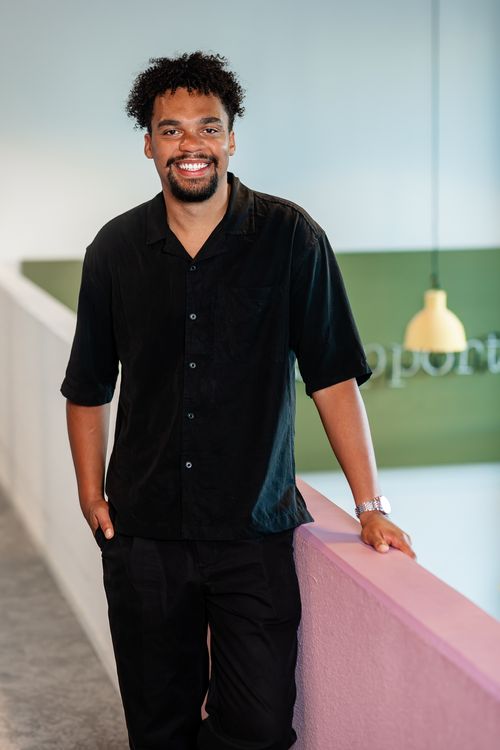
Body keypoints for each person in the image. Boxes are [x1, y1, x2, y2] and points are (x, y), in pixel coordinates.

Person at [61, 51, 415, 750]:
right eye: (171, 130)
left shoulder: (291, 238)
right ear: (148, 144)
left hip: (253, 534)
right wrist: (89, 492)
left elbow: (332, 378)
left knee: (258, 725)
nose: (189, 144)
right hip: (146, 534)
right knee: (158, 727)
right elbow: (88, 384)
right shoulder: (115, 250)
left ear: (231, 138)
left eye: (207, 127)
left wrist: (370, 506)